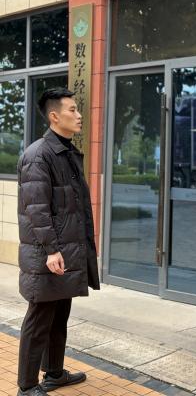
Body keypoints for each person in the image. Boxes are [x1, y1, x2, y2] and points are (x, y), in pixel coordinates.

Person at [17, 88, 100, 396]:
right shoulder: (38, 155)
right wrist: (52, 250)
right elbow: (36, 209)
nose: (79, 116)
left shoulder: (65, 152)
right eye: (72, 110)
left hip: (66, 251)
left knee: (59, 314)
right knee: (39, 318)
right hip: (48, 253)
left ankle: (54, 373)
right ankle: (27, 386)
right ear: (54, 116)